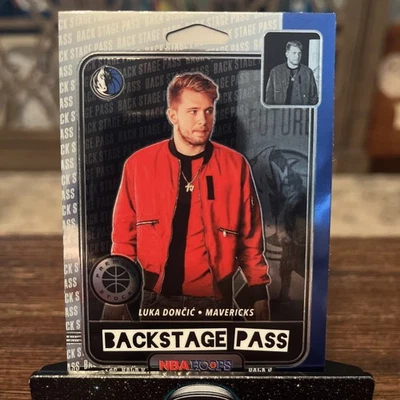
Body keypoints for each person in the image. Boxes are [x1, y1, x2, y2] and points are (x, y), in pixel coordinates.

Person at [111, 72, 270, 320]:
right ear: (173, 115)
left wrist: (259, 293)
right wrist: (116, 294)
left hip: (217, 301)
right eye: (193, 111)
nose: (203, 120)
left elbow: (250, 235)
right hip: (156, 299)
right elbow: (123, 237)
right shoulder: (139, 165)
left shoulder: (235, 165)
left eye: (209, 111)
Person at [265, 40, 319, 106]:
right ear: (287, 54)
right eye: (294, 53)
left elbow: (313, 98)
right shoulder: (275, 72)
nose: (297, 56)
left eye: (299, 53)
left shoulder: (308, 72)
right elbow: (269, 98)